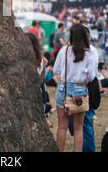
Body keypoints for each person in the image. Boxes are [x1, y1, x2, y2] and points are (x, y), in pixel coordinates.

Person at [53, 24, 95, 152]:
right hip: (79, 90)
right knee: (78, 128)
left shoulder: (64, 50)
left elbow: (56, 70)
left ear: (70, 35)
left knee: (62, 127)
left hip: (63, 88)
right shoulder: (89, 52)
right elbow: (92, 76)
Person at [26, 32, 52, 128]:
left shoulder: (26, 59)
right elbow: (42, 75)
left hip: (30, 93)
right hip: (40, 92)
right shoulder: (40, 59)